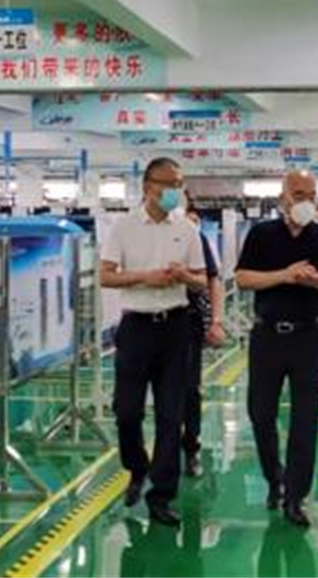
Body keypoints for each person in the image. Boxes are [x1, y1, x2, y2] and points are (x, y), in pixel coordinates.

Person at [235, 170, 318, 527]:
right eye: (299, 194)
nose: (306, 201)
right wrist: (284, 275)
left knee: (305, 419)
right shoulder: (262, 234)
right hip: (267, 336)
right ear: (283, 196)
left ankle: (295, 497)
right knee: (260, 413)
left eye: (311, 195)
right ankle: (275, 479)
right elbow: (242, 277)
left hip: (309, 338)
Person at [100, 157, 206, 528]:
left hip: (175, 328)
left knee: (170, 415)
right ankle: (136, 466)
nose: (177, 190)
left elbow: (202, 280)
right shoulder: (124, 227)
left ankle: (162, 495)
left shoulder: (187, 229)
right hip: (136, 328)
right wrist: (145, 277)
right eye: (170, 183)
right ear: (148, 186)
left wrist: (184, 276)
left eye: (180, 183)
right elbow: (106, 276)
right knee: (127, 411)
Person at [182, 203, 226, 478]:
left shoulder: (195, 238)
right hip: (149, 324)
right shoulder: (139, 234)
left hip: (187, 321)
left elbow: (213, 280)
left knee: (189, 389)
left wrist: (216, 320)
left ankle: (191, 447)